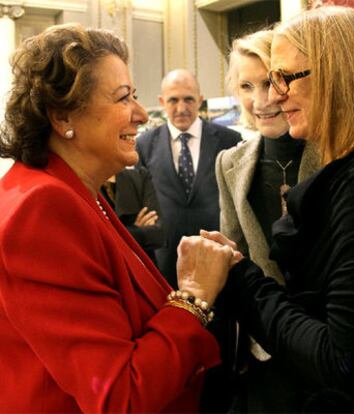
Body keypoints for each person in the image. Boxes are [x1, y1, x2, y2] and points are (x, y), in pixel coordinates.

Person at [177, 6, 354, 412]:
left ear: (339, 76)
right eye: (261, 83)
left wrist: (240, 277)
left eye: (284, 77)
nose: (272, 95)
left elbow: (344, 361)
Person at [0, 23, 236, 413]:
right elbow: (119, 396)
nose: (143, 115)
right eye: (123, 98)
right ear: (62, 116)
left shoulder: (73, 191)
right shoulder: (42, 209)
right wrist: (194, 295)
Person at [215, 29, 320, 413]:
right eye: (246, 85)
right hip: (265, 352)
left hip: (331, 346)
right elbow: (236, 255)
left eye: (269, 82)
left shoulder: (339, 151)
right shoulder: (229, 164)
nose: (260, 101)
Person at [136, 69, 241, 289]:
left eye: (189, 99)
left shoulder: (229, 140)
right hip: (165, 263)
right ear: (162, 101)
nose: (181, 108)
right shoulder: (144, 145)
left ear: (200, 101)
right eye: (173, 100)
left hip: (217, 258)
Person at [100, 166, 164, 262]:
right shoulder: (86, 184)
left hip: (144, 265)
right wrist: (138, 230)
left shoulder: (139, 176)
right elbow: (100, 240)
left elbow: (158, 235)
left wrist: (124, 232)